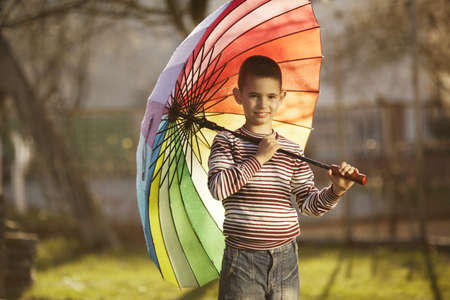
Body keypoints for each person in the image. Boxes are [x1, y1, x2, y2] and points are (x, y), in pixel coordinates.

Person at [207, 55, 358, 300]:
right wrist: (259, 159)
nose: (262, 104)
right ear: (238, 95)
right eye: (253, 95)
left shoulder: (291, 150)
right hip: (242, 260)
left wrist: (336, 190)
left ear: (282, 97)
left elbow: (308, 204)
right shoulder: (227, 142)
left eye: (271, 96)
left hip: (285, 259)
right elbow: (218, 187)